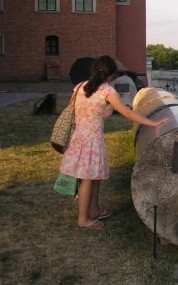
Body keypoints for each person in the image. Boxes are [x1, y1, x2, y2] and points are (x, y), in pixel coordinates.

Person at [59, 55, 170, 229]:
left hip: (78, 138)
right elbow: (128, 113)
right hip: (92, 141)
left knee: (94, 177)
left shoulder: (79, 87)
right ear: (111, 75)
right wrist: (153, 122)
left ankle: (94, 210)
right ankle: (83, 219)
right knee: (87, 180)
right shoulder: (107, 92)